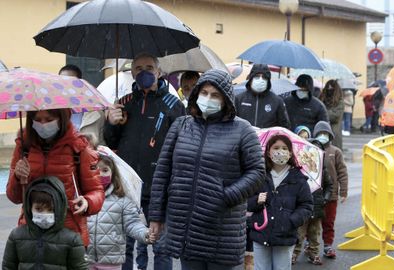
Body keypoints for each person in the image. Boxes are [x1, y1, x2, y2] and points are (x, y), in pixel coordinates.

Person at [148, 69, 266, 270]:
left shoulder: (242, 130)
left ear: (226, 99)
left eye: (215, 95)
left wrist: (225, 196)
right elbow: (163, 172)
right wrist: (156, 216)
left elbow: (257, 172)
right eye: (204, 93)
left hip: (221, 227)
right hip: (185, 227)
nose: (208, 98)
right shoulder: (181, 126)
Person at [104, 52, 185, 270]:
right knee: (125, 245)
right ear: (132, 73)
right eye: (138, 68)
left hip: (160, 188)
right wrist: (111, 122)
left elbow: (182, 145)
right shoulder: (123, 104)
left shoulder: (173, 105)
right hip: (127, 187)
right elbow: (110, 141)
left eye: (149, 67)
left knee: (161, 247)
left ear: (158, 72)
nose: (144, 72)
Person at [7, 108, 105, 247]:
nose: (43, 124)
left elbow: (96, 191)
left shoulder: (78, 147)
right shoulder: (24, 146)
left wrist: (88, 202)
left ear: (62, 118)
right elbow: (14, 197)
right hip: (31, 233)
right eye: (38, 120)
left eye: (49, 120)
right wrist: (17, 177)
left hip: (68, 236)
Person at [248, 134, 313, 270]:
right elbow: (246, 202)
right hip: (261, 232)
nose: (280, 151)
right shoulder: (259, 176)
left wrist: (291, 221)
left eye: (284, 148)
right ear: (268, 152)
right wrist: (256, 201)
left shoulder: (299, 179)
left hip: (285, 235)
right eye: (276, 147)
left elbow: (306, 206)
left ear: (290, 153)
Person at [3, 177, 88, 269]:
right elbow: (8, 267)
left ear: (59, 209)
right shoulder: (16, 236)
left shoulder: (72, 240)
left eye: (51, 209)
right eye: (38, 209)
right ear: (29, 208)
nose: (44, 214)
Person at [87, 153, 153, 270]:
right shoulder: (83, 198)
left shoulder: (123, 200)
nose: (100, 173)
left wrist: (145, 234)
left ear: (113, 174)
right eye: (95, 169)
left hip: (111, 261)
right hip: (86, 259)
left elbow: (132, 223)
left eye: (105, 170)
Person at [292, 122, 333, 266]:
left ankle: (314, 253)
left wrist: (325, 199)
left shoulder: (322, 170)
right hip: (303, 207)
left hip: (317, 207)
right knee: (299, 233)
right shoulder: (299, 170)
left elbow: (329, 185)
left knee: (315, 233)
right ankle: (295, 253)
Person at [310, 121, 348, 259]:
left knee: (329, 222)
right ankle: (311, 245)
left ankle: (328, 246)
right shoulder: (311, 150)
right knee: (312, 223)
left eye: (325, 134)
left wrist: (343, 191)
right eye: (320, 134)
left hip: (331, 195)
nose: (323, 136)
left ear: (330, 135)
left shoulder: (335, 152)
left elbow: (342, 172)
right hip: (314, 195)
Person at [59, 64, 107, 146]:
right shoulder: (53, 112)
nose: (66, 86)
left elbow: (102, 144)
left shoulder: (97, 114)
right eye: (62, 82)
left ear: (80, 84)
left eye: (71, 82)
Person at [235, 63, 290, 129]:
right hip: (244, 138)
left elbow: (285, 127)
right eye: (257, 76)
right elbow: (232, 123)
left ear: (268, 80)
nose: (260, 80)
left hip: (268, 139)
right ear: (251, 79)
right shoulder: (239, 99)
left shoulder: (277, 101)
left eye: (264, 77)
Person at [320, 80, 344, 149]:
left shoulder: (339, 102)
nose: (329, 91)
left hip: (334, 134)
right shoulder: (321, 99)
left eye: (331, 89)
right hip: (322, 132)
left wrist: (323, 111)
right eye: (328, 89)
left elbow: (335, 116)